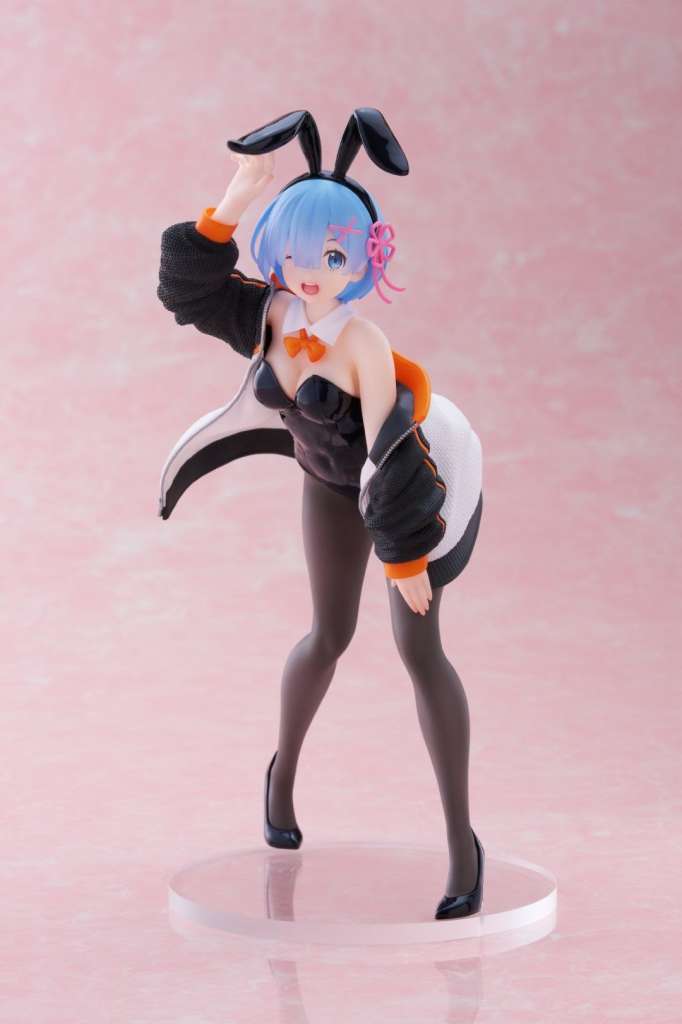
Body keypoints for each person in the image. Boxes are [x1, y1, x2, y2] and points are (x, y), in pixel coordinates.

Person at [157, 109, 484, 919]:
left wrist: (405, 557)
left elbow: (391, 452)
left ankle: (461, 844)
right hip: (324, 486)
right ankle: (281, 780)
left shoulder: (362, 345)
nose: (311, 273)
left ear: (364, 258)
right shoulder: (273, 316)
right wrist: (238, 197)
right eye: (299, 254)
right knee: (326, 637)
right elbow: (188, 291)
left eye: (332, 257)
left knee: (419, 650)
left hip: (412, 488)